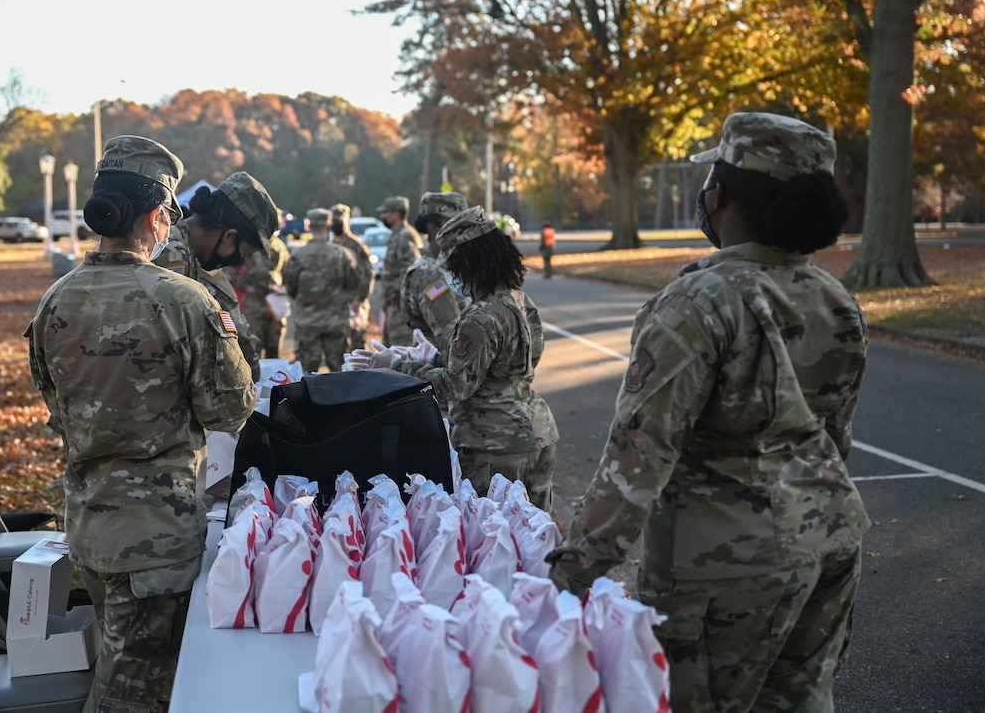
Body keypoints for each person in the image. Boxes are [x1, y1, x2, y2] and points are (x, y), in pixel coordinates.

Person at [545, 112, 871, 712]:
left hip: (720, 567)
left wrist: (570, 573)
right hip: (829, 540)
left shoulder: (697, 301)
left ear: (717, 193)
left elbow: (638, 456)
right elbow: (834, 434)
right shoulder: (835, 298)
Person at [26, 135, 257, 712]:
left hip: (89, 526)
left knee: (115, 664)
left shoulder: (55, 300)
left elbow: (57, 404)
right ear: (157, 216)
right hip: (157, 537)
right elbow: (231, 409)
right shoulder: (183, 299)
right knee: (139, 694)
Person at [349, 206, 558, 511]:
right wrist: (433, 356)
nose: (451, 274)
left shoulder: (480, 317)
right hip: (537, 432)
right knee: (536, 536)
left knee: (494, 538)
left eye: (453, 265)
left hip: (494, 445)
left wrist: (396, 366)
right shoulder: (521, 302)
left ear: (472, 262)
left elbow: (454, 387)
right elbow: (504, 368)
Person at [152, 172, 282, 382]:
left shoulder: (190, 252)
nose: (240, 262)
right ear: (229, 236)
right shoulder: (172, 254)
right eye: (244, 255)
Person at [283, 207, 359, 373]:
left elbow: (290, 287)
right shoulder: (343, 254)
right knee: (339, 372)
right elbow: (353, 284)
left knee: (307, 374)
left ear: (309, 227)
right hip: (336, 322)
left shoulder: (298, 256)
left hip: (307, 322)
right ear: (329, 227)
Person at [401, 191, 470, 352]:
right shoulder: (430, 275)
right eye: (456, 225)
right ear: (434, 230)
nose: (464, 231)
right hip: (441, 371)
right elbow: (454, 339)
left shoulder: (452, 265)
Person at [226, 232, 291, 359]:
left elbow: (288, 268)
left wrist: (284, 287)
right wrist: (244, 286)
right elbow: (229, 268)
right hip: (254, 301)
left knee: (274, 346)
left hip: (275, 301)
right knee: (254, 346)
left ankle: (274, 377)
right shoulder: (250, 242)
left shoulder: (279, 245)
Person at [376, 195, 423, 346]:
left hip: (400, 307)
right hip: (394, 306)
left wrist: (395, 290)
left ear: (396, 214)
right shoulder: (397, 235)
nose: (383, 216)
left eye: (386, 213)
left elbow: (411, 267)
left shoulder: (404, 236)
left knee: (400, 349)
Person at [331, 202, 375, 352]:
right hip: (337, 304)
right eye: (333, 222)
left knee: (357, 346)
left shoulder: (357, 246)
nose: (335, 225)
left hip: (354, 303)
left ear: (347, 222)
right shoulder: (331, 246)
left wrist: (359, 299)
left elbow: (367, 274)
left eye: (339, 222)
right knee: (339, 347)